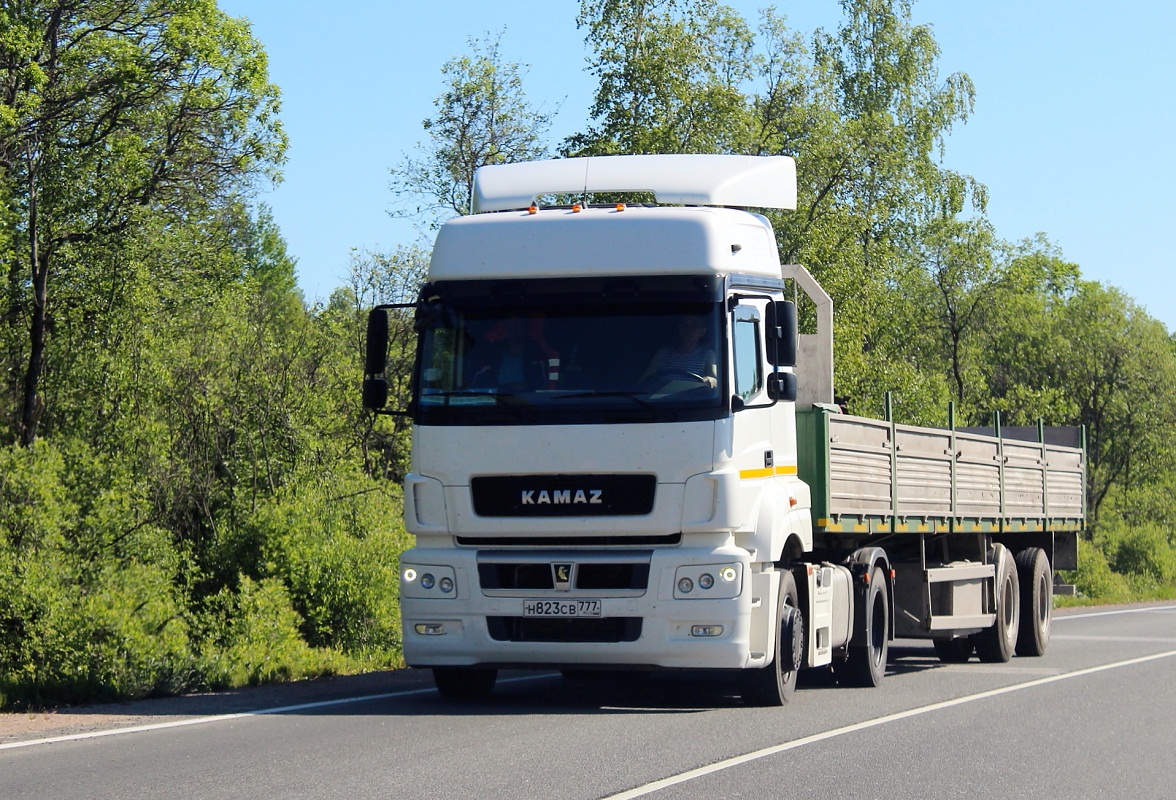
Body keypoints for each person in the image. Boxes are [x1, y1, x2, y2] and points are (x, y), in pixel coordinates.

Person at [641, 314, 718, 388]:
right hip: (663, 399)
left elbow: (714, 378)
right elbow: (645, 380)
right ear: (679, 328)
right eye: (684, 325)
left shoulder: (707, 355)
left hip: (694, 399)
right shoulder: (663, 354)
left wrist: (709, 380)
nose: (688, 329)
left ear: (702, 332)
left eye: (694, 325)